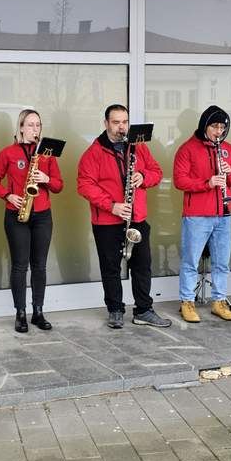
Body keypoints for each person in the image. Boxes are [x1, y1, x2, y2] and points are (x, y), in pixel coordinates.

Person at [76, 104, 171, 329]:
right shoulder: (93, 152)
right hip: (107, 221)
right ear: (106, 123)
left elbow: (157, 172)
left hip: (136, 218)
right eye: (116, 122)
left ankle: (143, 310)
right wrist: (112, 206)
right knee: (111, 268)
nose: (122, 127)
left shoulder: (138, 147)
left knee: (142, 266)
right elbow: (84, 185)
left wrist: (143, 176)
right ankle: (115, 310)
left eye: (125, 122)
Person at [0, 109, 64, 332]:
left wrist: (46, 178)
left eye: (38, 125)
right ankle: (20, 313)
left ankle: (38, 312)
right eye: (30, 125)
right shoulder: (8, 153)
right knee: (20, 266)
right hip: (17, 214)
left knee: (40, 266)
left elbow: (59, 186)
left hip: (42, 215)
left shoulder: (47, 154)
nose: (35, 129)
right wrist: (8, 195)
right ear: (21, 128)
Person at [172, 105, 231, 323]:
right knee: (190, 261)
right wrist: (207, 183)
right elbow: (179, 181)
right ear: (205, 126)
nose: (219, 132)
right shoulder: (187, 149)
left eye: (222, 127)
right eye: (214, 127)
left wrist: (230, 173)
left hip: (224, 213)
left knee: (222, 263)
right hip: (197, 215)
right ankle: (187, 301)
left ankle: (219, 301)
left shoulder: (228, 149)